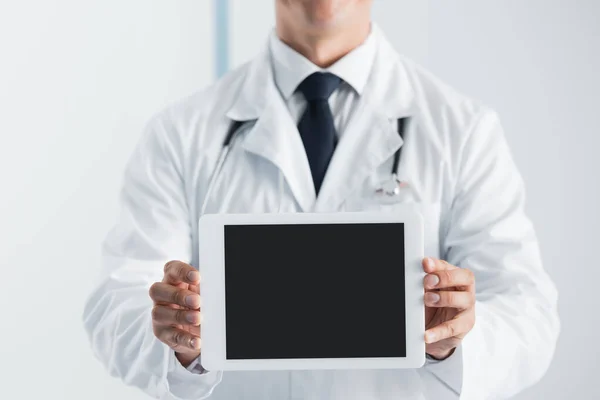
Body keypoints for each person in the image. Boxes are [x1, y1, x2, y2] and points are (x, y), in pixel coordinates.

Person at [82, 0, 560, 399]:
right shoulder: (180, 133)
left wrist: (454, 339)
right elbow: (117, 303)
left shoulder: (463, 130)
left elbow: (528, 316)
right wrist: (178, 342)